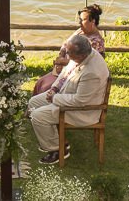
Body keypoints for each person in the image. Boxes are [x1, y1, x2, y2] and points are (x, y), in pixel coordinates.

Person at [28, 34, 110, 164]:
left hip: (80, 111)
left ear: (82, 55)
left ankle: (57, 149)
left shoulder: (92, 73)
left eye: (70, 54)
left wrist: (55, 98)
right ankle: (53, 137)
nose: (68, 56)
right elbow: (65, 73)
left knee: (38, 116)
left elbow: (80, 101)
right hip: (64, 95)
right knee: (33, 102)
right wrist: (54, 89)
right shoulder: (83, 53)